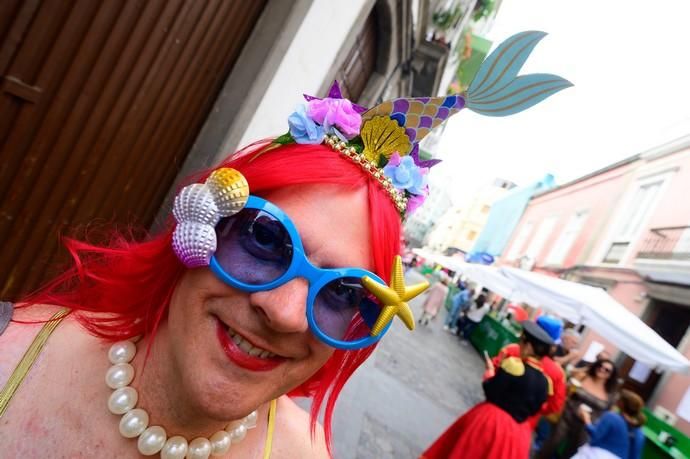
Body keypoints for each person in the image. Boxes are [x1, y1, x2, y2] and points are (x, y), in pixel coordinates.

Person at [0, 31, 569, 458]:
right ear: (204, 220)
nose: (285, 311)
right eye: (266, 240)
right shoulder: (9, 349)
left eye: (345, 293)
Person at [421, 320, 555, 459]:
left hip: (492, 421)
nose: (519, 345)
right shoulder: (546, 382)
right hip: (517, 433)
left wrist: (490, 373)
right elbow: (536, 410)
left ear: (528, 347)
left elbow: (491, 391)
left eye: (521, 342)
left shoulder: (514, 365)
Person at [538, 359, 619, 459]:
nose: (602, 370)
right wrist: (569, 387)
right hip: (568, 416)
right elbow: (566, 390)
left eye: (607, 370)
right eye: (600, 366)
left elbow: (609, 413)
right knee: (552, 443)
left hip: (587, 425)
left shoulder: (611, 393)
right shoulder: (583, 377)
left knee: (574, 451)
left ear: (610, 375)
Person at [572, 389, 645, 459]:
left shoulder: (612, 417)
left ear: (621, 403)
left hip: (596, 455)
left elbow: (595, 435)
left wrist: (586, 418)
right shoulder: (639, 433)